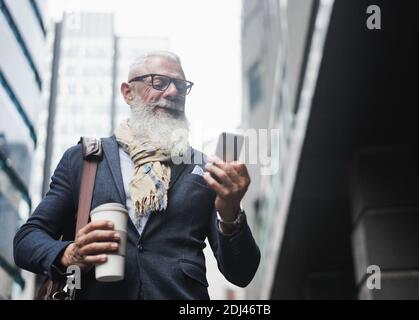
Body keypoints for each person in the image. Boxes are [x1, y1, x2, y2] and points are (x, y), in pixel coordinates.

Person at [13, 51, 260, 300]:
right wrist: (69, 254)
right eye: (159, 82)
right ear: (128, 92)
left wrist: (231, 214)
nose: (173, 92)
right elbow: (26, 241)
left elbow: (242, 273)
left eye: (180, 86)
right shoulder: (84, 160)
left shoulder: (205, 168)